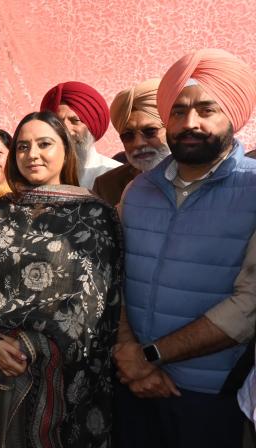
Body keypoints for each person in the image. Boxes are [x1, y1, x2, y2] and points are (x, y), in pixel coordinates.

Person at [0, 111, 122, 448]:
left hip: (64, 374)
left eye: (44, 144)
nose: (32, 154)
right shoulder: (1, 211)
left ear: (66, 151)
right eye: (23, 146)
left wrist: (33, 346)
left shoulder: (94, 215)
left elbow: (96, 301)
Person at [114, 48, 256, 448]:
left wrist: (151, 356)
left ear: (233, 115)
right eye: (177, 111)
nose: (189, 122)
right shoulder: (138, 191)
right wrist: (128, 354)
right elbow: (116, 280)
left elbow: (249, 306)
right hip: (133, 386)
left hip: (216, 397)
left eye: (206, 110)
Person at [93, 78, 170, 205]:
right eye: (128, 135)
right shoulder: (107, 186)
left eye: (150, 131)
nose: (138, 144)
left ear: (171, 128)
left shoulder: (201, 174)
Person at [40, 81, 121, 188]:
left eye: (75, 121)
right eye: (58, 121)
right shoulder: (37, 172)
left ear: (91, 126)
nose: (66, 130)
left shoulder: (115, 174)